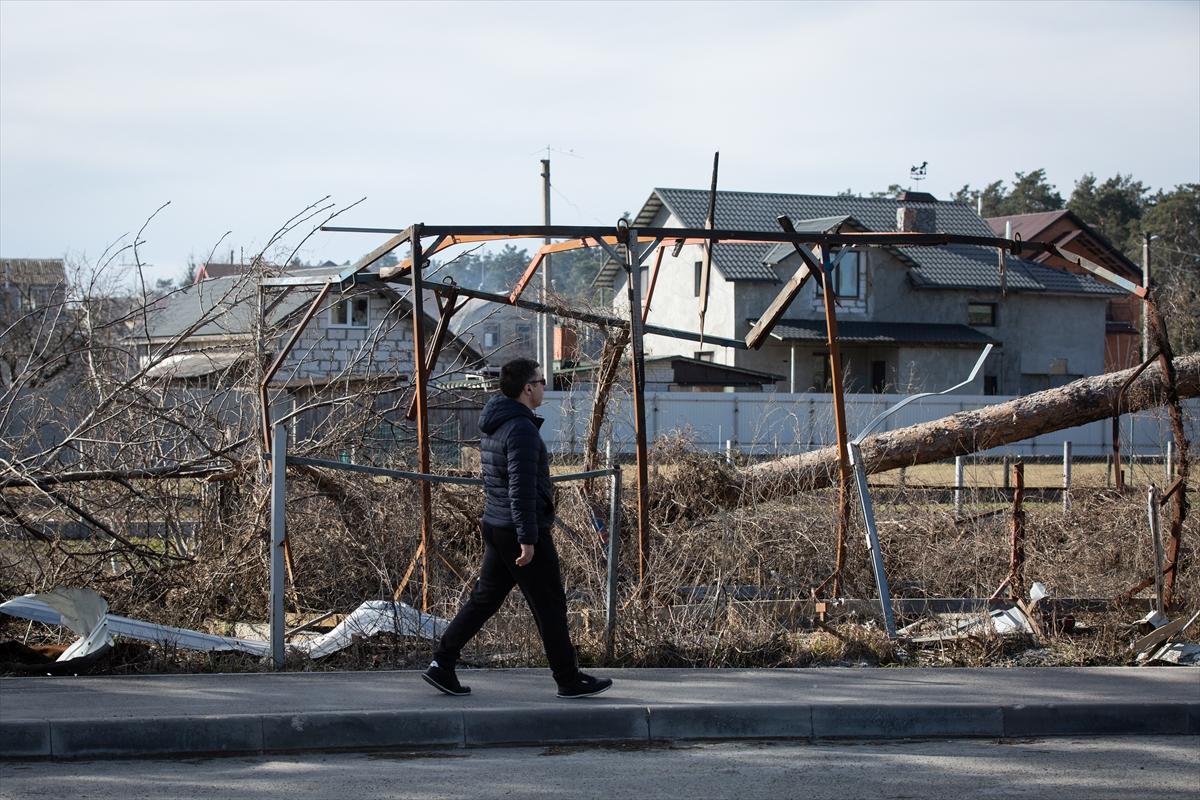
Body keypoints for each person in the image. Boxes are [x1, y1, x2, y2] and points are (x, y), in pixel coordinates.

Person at [423, 358, 612, 699]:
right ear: (528, 388)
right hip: (519, 528)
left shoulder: (498, 422)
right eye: (541, 382)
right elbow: (521, 488)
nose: (544, 387)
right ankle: (568, 679)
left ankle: (442, 663)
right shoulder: (521, 429)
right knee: (550, 604)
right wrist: (528, 538)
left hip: (497, 523)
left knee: (485, 599)